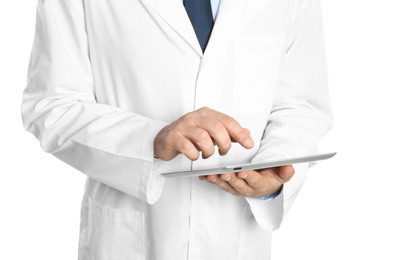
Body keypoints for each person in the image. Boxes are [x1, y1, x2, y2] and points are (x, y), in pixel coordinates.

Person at [21, 0, 332, 259]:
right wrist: (149, 140)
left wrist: (274, 172)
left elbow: (300, 105)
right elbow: (52, 105)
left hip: (236, 239)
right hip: (129, 240)